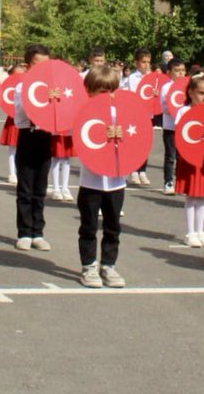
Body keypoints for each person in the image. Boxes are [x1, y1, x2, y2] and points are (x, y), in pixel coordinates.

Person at [75, 64, 129, 288]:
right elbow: (77, 138)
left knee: (112, 226)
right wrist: (100, 133)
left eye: (111, 91)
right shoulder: (83, 113)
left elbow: (135, 140)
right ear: (89, 91)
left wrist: (121, 135)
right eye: (101, 91)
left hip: (116, 181)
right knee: (89, 226)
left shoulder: (122, 114)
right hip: (91, 181)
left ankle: (108, 265)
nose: (106, 96)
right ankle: (89, 266)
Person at [13, 43, 54, 251]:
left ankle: (38, 231)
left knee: (40, 187)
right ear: (28, 65)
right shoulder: (22, 87)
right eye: (38, 64)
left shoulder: (53, 86)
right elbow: (23, 112)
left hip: (45, 136)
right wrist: (44, 97)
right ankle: (24, 232)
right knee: (26, 187)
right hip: (28, 136)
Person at [177, 74, 204, 248]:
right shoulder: (184, 111)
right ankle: (190, 232)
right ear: (191, 92)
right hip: (190, 158)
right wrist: (199, 134)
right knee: (191, 195)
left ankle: (200, 230)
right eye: (201, 93)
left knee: (202, 196)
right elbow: (181, 134)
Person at [123, 49, 153, 187]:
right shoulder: (132, 78)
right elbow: (131, 96)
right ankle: (133, 170)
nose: (146, 65)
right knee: (134, 143)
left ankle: (142, 171)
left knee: (145, 144)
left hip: (147, 115)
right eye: (143, 62)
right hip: (134, 115)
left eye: (148, 62)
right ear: (136, 63)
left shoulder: (152, 78)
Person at [159, 58, 187, 194]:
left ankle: (181, 182)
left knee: (183, 156)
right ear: (169, 72)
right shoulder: (166, 87)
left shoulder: (189, 85)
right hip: (170, 126)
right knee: (170, 155)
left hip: (184, 127)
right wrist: (173, 108)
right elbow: (164, 107)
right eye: (177, 70)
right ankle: (168, 182)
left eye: (182, 70)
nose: (180, 73)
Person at [0, 63, 26, 184]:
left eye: (22, 74)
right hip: (13, 118)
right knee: (12, 146)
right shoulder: (10, 86)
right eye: (16, 74)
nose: (20, 76)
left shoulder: (27, 84)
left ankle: (22, 172)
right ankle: (12, 172)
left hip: (25, 119)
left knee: (24, 148)